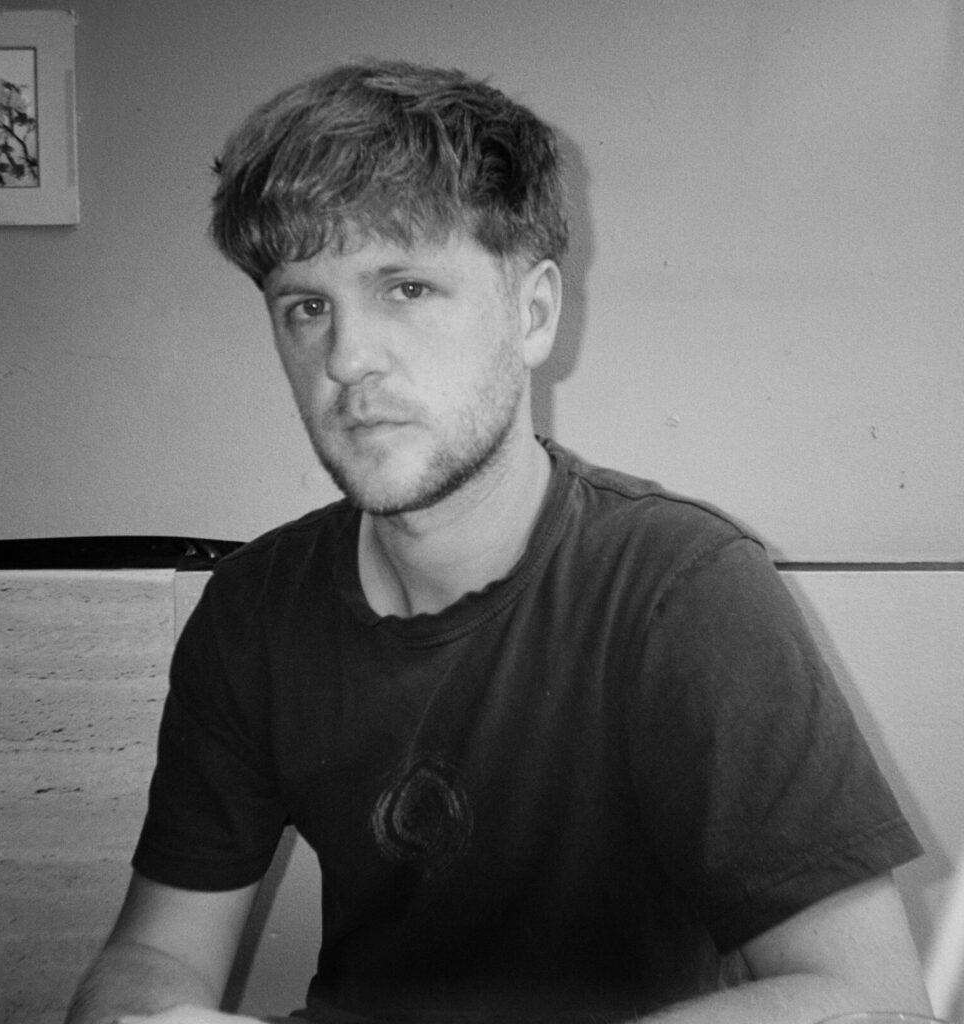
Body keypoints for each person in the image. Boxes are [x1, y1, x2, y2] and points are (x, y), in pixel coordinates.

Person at [65, 60, 933, 1024]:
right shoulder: (252, 610)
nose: (346, 358)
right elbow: (153, 952)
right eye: (305, 306)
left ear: (534, 314)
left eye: (405, 288)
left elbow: (870, 1001)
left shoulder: (682, 590)